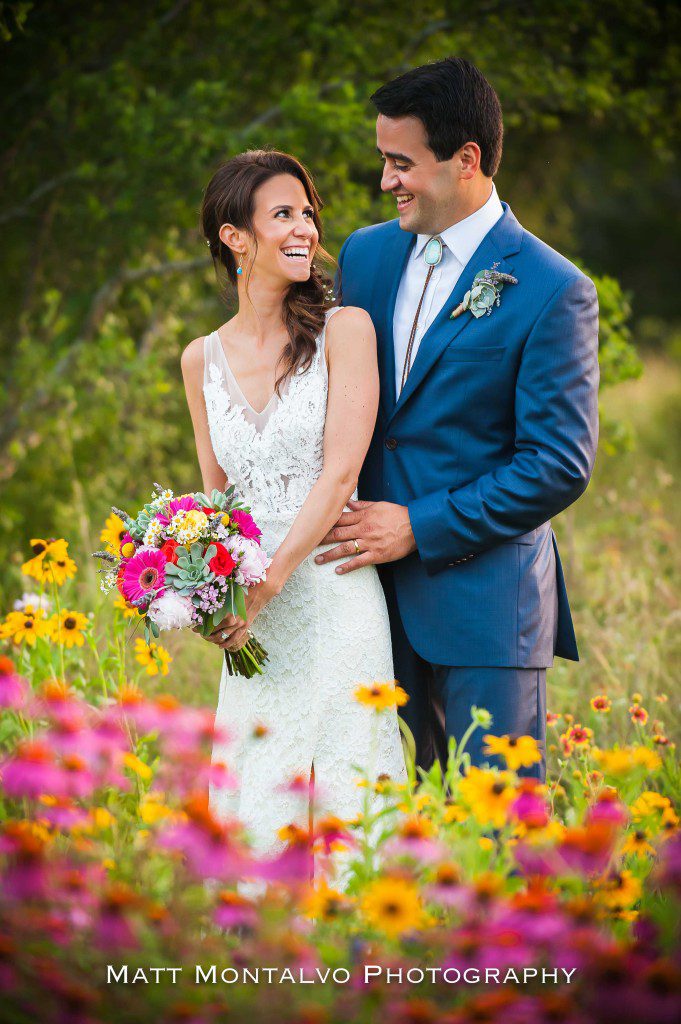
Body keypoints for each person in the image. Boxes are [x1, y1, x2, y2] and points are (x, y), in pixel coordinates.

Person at [316, 57, 600, 783]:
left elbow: (557, 465)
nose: (385, 180)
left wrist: (419, 524)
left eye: (401, 163)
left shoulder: (552, 288)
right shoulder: (366, 255)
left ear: (466, 159)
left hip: (486, 608)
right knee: (389, 821)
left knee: (493, 826)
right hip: (365, 605)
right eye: (384, 159)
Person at [180, 149, 407, 889]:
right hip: (254, 620)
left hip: (332, 595)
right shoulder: (200, 359)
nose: (305, 227)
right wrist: (207, 595)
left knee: (345, 796)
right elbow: (217, 504)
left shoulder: (347, 330)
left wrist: (269, 583)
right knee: (255, 793)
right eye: (283, 214)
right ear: (234, 237)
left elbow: (340, 472)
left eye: (308, 212)